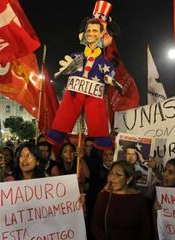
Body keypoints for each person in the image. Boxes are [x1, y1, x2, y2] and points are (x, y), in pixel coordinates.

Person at [46, 1, 122, 150]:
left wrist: (110, 80)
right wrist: (65, 69)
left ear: (102, 35)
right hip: (75, 89)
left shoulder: (105, 62)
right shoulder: (77, 56)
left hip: (94, 89)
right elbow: (68, 68)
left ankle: (101, 136)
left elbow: (108, 73)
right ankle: (58, 131)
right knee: (68, 104)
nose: (91, 34)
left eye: (95, 31)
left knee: (96, 108)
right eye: (89, 31)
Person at [91, 161, 152, 239]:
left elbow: (145, 230)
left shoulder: (140, 199)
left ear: (129, 179)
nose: (112, 178)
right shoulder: (103, 196)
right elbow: (96, 225)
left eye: (118, 175)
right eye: (111, 173)